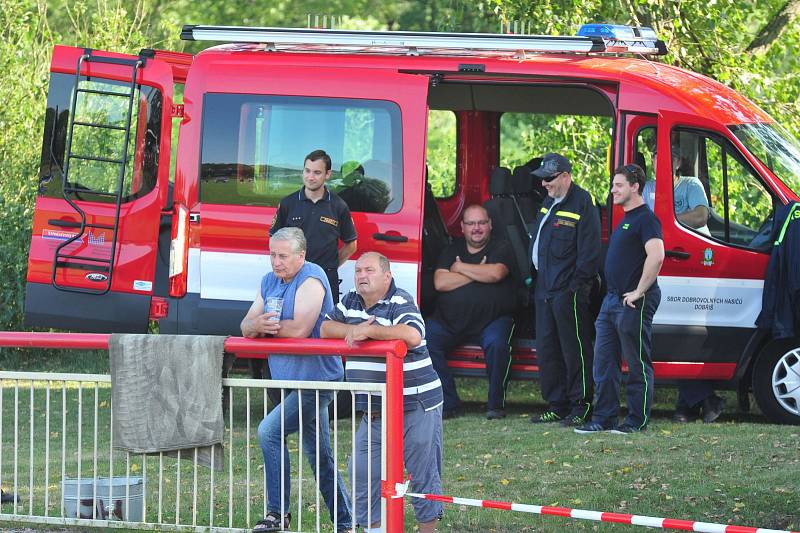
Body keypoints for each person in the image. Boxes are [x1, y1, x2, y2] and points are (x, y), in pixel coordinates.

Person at [321, 252, 443, 533]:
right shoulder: (351, 299)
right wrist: (355, 328)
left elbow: (413, 335)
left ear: (386, 276)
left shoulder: (400, 300)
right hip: (374, 410)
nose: (362, 276)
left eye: (370, 270)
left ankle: (428, 529)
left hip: (416, 403)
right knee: (362, 472)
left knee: (423, 472)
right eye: (358, 270)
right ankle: (374, 529)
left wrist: (371, 332)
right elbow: (326, 327)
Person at [240, 227, 352, 532]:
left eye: (283, 256)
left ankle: (276, 515)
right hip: (290, 380)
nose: (276, 262)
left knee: (268, 432)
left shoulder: (312, 277)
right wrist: (256, 325)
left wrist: (263, 326)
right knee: (321, 458)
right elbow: (246, 324)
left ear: (300, 256)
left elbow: (300, 329)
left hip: (317, 380)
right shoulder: (269, 281)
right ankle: (347, 522)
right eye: (272, 255)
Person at [575, 164, 665, 434]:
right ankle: (604, 419)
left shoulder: (646, 219)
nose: (613, 189)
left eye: (618, 185)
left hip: (634, 301)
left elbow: (657, 255)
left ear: (635, 186)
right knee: (603, 363)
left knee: (637, 363)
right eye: (613, 185)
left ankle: (636, 421)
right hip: (612, 301)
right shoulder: (624, 218)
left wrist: (639, 291)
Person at [643, 145, 725, 423]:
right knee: (669, 336)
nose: (659, 160)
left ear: (678, 162)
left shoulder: (691, 185)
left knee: (682, 338)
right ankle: (698, 401)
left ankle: (692, 403)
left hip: (694, 262)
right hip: (658, 262)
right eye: (654, 156)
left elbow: (701, 216)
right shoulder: (647, 189)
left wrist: (666, 221)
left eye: (666, 156)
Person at [528, 153, 601, 427]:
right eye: (542, 179)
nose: (544, 184)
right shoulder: (549, 201)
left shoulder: (583, 202)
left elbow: (590, 254)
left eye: (549, 178)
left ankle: (581, 405)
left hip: (568, 290)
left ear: (566, 177)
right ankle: (556, 405)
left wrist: (574, 288)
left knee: (574, 349)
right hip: (545, 287)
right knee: (547, 349)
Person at [426, 204, 516, 420]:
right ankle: (449, 403)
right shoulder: (451, 249)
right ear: (463, 227)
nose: (477, 228)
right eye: (471, 223)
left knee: (497, 344)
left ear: (490, 225)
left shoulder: (502, 247)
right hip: (450, 322)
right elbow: (440, 282)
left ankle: (495, 405)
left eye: (482, 223)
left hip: (492, 321)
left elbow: (495, 273)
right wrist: (476, 272)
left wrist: (459, 268)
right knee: (425, 340)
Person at [270, 149, 358, 303]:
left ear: (328, 174)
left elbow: (351, 245)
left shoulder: (338, 206)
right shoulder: (288, 203)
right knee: (291, 320)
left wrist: (331, 266)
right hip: (293, 276)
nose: (310, 177)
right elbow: (274, 240)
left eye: (317, 172)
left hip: (325, 278)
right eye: (307, 171)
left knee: (326, 323)